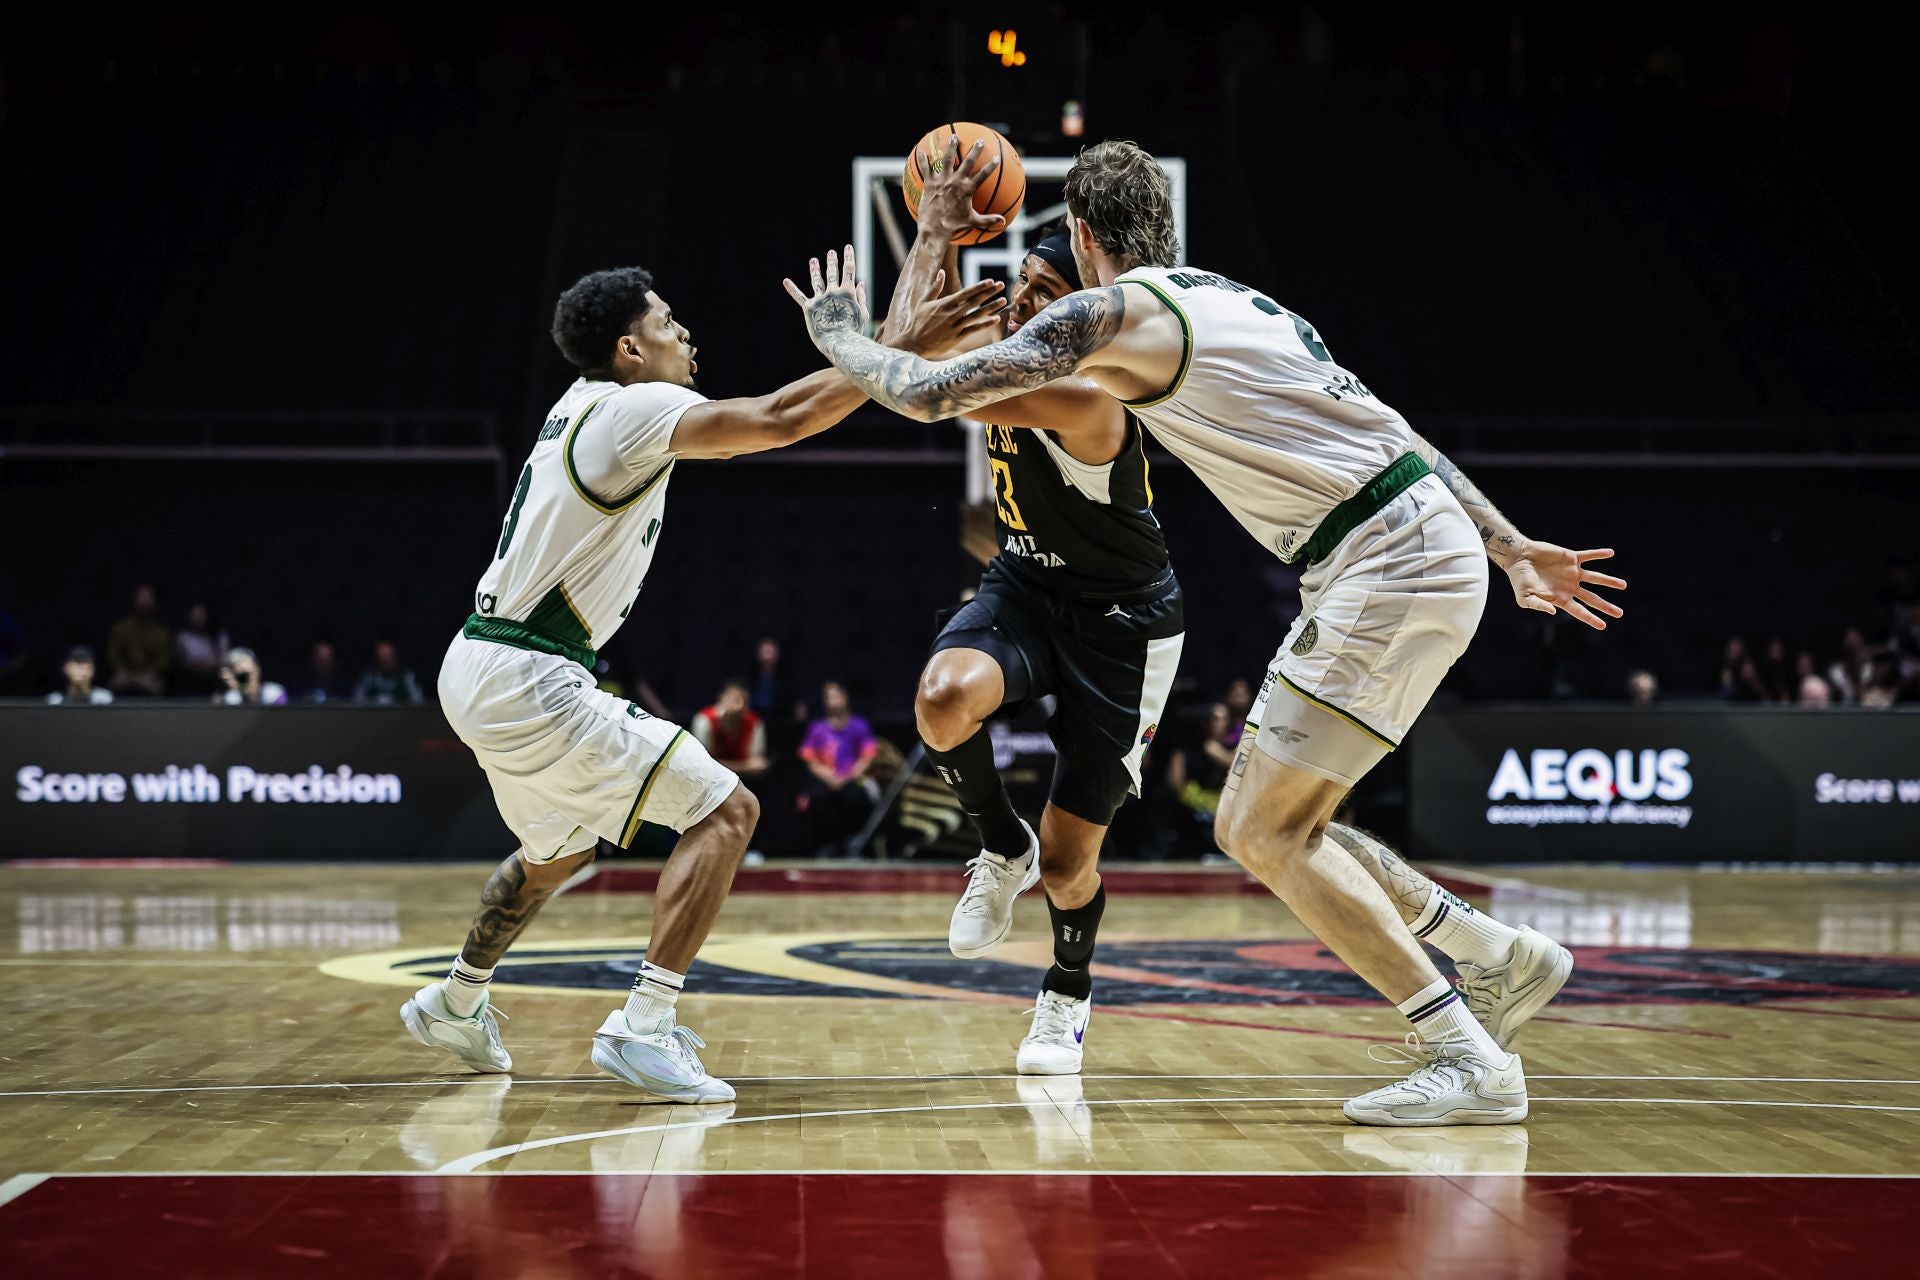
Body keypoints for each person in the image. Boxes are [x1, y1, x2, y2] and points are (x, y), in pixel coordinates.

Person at [790, 138, 1629, 1126]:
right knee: (1292, 819)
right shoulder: (1242, 302)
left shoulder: (1115, 316)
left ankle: (1467, 1054)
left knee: (1257, 828)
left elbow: (924, 393)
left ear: (1087, 236)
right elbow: (1397, 430)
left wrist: (842, 330)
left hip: (1381, 563)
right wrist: (1505, 544)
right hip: (1421, 547)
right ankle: (1496, 954)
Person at [403, 262, 997, 1102]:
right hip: (531, 671)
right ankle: (643, 1026)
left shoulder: (575, 404)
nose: (685, 335)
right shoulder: (635, 407)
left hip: (479, 661)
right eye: (668, 322)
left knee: (557, 849)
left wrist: (890, 340)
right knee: (727, 810)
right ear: (628, 349)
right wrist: (891, 349)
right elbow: (780, 418)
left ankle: (456, 999)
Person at [873, 142, 1186, 1073]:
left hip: (1126, 623)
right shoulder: (1010, 359)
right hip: (1026, 584)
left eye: (1046, 295)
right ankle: (994, 845)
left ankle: (1067, 990)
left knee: (1071, 865)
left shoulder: (1087, 396)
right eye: (1017, 290)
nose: (1020, 307)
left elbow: (902, 378)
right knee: (940, 696)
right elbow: (901, 350)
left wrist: (912, 336)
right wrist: (932, 232)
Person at [798, 681, 881, 854]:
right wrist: (829, 777)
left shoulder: (860, 725)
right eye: (828, 697)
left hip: (852, 781)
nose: (833, 700)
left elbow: (868, 756)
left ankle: (854, 846)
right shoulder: (817, 728)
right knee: (818, 800)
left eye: (836, 695)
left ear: (845, 697)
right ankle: (825, 847)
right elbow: (810, 759)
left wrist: (848, 776)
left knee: (856, 798)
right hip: (826, 781)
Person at [691, 681, 770, 779]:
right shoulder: (705, 719)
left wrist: (724, 766)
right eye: (728, 700)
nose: (731, 706)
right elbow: (702, 761)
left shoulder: (754, 722)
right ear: (720, 700)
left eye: (736, 700)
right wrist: (741, 767)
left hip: (742, 778)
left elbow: (757, 763)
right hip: (711, 777)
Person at [107, 584, 170, 696]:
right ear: (134, 601)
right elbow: (113, 654)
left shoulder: (160, 632)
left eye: (147, 599)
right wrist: (123, 671)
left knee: (157, 686)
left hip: (149, 676)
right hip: (125, 673)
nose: (144, 603)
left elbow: (162, 660)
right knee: (116, 682)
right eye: (141, 598)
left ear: (153, 602)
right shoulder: (121, 628)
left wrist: (149, 674)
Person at [172, 603, 226, 698]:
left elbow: (222, 661)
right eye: (195, 614)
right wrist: (206, 663)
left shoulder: (218, 636)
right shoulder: (183, 637)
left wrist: (205, 663)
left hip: (214, 680)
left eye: (201, 614)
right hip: (191, 681)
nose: (199, 618)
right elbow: (187, 662)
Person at [355, 640, 425, 705]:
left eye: (388, 657)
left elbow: (418, 702)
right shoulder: (368, 678)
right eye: (382, 658)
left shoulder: (407, 678)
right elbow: (356, 702)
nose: (386, 661)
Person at [215, 647, 287, 706]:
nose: (247, 680)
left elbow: (284, 712)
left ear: (257, 670)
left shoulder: (274, 692)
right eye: (241, 677)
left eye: (249, 674)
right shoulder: (232, 698)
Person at [47, 645, 113, 705]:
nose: (83, 673)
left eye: (87, 668)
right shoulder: (55, 700)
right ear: (66, 668)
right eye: (78, 667)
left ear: (93, 670)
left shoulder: (104, 699)